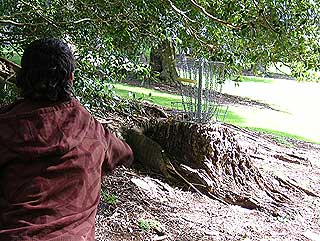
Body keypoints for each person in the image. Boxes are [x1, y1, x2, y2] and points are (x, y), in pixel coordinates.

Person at [0, 38, 133, 241]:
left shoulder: (6, 126)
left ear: (22, 76)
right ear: (70, 78)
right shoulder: (91, 129)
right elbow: (124, 154)